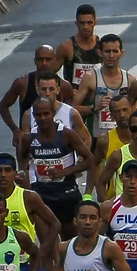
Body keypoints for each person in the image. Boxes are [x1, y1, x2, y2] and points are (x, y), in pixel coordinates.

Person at [18, 97, 94, 239]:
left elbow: (90, 160)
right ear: (33, 116)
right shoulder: (29, 138)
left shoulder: (66, 134)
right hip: (42, 194)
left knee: (69, 239)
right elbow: (23, 158)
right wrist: (23, 175)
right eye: (38, 115)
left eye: (46, 114)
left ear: (53, 113)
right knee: (47, 240)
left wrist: (65, 171)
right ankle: (48, 260)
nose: (43, 118)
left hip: (66, 193)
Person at [0, 45, 74, 144]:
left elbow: (72, 114)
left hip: (58, 142)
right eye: (40, 60)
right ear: (35, 61)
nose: (44, 63)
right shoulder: (22, 83)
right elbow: (3, 106)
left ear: (54, 60)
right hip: (29, 140)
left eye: (48, 59)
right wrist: (15, 131)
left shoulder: (65, 87)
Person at [73, 33, 136, 152]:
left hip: (124, 139)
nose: (111, 56)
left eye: (115, 51)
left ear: (121, 53)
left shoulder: (130, 80)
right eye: (107, 51)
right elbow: (73, 109)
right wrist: (94, 108)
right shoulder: (90, 78)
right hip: (97, 138)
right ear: (100, 53)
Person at [19, 71, 90, 143]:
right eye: (43, 89)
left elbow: (86, 139)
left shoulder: (71, 113)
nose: (47, 93)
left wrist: (79, 154)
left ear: (58, 90)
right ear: (37, 90)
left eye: (51, 89)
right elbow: (24, 142)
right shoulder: (28, 115)